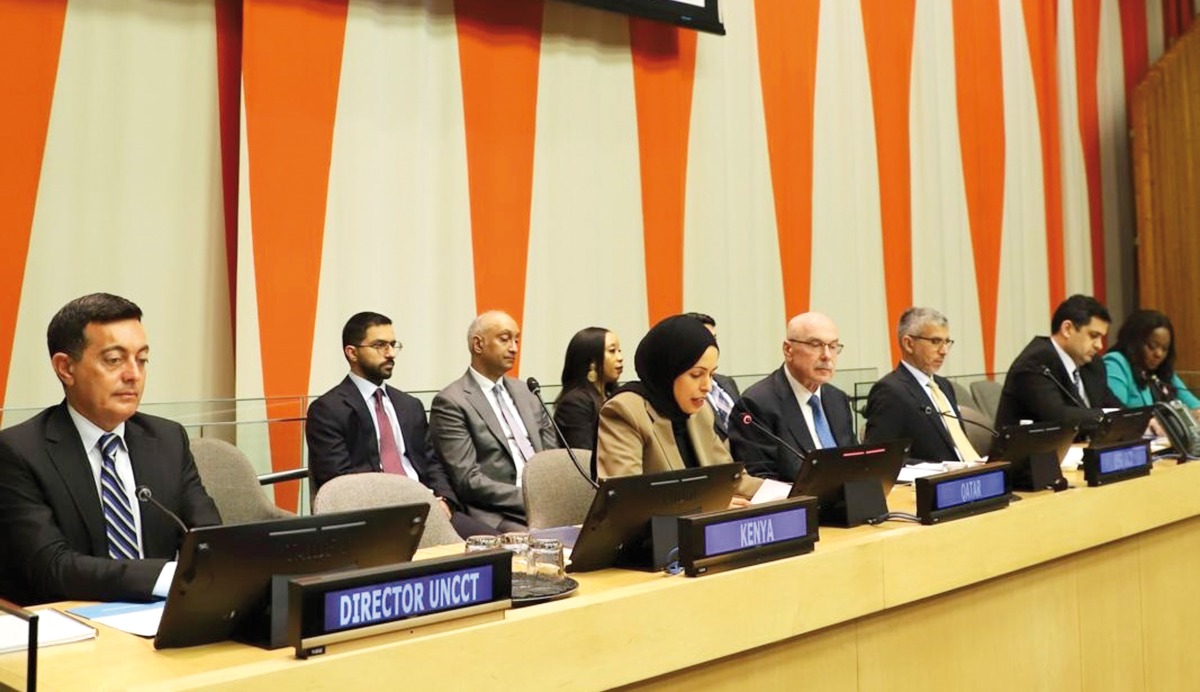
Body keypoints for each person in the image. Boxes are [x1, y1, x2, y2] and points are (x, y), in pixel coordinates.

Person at [0, 293, 220, 605]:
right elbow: (51, 567)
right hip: (72, 625)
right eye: (114, 360)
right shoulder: (19, 452)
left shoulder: (168, 439)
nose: (133, 374)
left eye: (141, 359)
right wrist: (162, 578)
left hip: (162, 618)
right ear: (65, 368)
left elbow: (208, 539)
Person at [306, 312, 497, 538]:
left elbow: (432, 463)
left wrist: (444, 500)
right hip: (377, 520)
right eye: (380, 345)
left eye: (393, 344)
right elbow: (339, 482)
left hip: (428, 508)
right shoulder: (328, 410)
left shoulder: (409, 405)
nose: (390, 353)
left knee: (495, 547)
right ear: (352, 353)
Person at [594, 315, 761, 502]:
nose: (707, 386)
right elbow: (626, 499)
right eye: (697, 374)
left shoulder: (701, 411)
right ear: (668, 370)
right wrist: (710, 505)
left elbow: (732, 480)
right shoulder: (624, 411)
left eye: (712, 374)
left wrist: (785, 493)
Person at [429, 310, 557, 531]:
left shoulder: (527, 391)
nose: (514, 348)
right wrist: (530, 498)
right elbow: (468, 480)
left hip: (548, 503)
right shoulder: (452, 401)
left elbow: (553, 456)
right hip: (499, 513)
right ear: (478, 345)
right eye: (505, 339)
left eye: (517, 340)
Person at [727, 312, 856, 482]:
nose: (827, 355)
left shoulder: (837, 399)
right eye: (815, 344)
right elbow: (760, 480)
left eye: (833, 346)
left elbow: (855, 462)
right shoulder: (756, 404)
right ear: (788, 350)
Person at [863, 307, 981, 462]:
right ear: (909, 344)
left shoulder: (944, 386)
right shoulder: (890, 391)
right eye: (935, 341)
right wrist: (936, 469)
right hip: (930, 482)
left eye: (947, 342)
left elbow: (957, 445)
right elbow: (879, 457)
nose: (944, 351)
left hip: (967, 478)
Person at [994, 294, 1122, 431]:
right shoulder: (1035, 363)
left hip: (1078, 447)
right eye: (1093, 336)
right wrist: (1108, 416)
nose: (1099, 346)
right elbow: (1056, 416)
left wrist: (1143, 420)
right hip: (1029, 450)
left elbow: (1113, 404)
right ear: (1067, 329)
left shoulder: (1092, 365)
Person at [1103, 309, 1200, 411]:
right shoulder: (1116, 363)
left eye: (1165, 348)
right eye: (1152, 346)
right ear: (1134, 342)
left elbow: (1195, 405)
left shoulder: (1163, 371)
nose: (1159, 354)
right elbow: (1116, 416)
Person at [552, 327, 624, 450]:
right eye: (612, 351)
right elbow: (583, 456)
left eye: (619, 350)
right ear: (592, 362)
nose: (620, 357)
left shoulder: (614, 395)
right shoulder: (574, 403)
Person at [685, 312, 741, 440]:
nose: (712, 346)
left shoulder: (726, 382)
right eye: (705, 339)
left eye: (714, 339)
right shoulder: (685, 389)